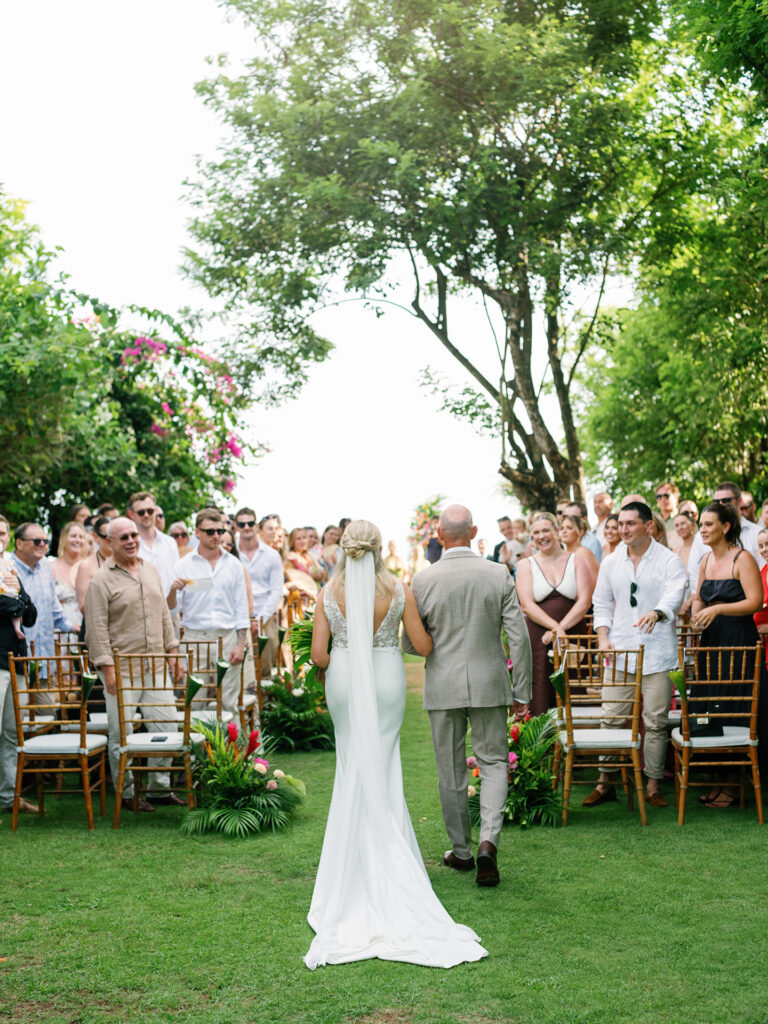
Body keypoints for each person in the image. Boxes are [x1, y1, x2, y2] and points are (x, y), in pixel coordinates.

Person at [306, 519, 487, 970]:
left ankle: (351, 867)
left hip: (345, 679)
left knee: (351, 763)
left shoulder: (328, 594)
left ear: (344, 550)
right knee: (383, 763)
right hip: (387, 678)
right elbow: (423, 645)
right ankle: (386, 856)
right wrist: (389, 640)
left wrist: (347, 648)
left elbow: (318, 656)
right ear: (380, 549)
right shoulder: (399, 589)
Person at [402, 504, 532, 888]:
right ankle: (488, 841)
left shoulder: (423, 580)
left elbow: (412, 641)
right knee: (493, 763)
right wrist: (522, 689)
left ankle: (461, 852)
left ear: (440, 536)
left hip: (443, 684)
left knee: (451, 768)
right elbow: (519, 637)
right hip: (491, 681)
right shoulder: (497, 573)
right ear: (474, 533)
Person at [584, 501, 686, 809]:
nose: (623, 529)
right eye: (621, 524)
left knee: (654, 721)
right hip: (619, 653)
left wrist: (658, 612)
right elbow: (600, 603)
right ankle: (606, 782)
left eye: (630, 524)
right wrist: (603, 639)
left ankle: (653, 785)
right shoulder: (612, 562)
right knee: (612, 717)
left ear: (649, 526)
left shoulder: (669, 560)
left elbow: (675, 594)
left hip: (657, 655)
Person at [85, 517, 185, 811]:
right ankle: (126, 794)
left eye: (133, 535)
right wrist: (108, 670)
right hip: (122, 670)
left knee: (167, 727)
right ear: (109, 543)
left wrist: (173, 652)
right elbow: (96, 629)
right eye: (123, 537)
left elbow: (164, 616)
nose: (130, 540)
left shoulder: (149, 569)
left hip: (155, 667)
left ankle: (159, 789)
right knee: (122, 734)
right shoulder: (100, 580)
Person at [690, 503, 763, 807]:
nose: (703, 530)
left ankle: (735, 784)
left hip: (738, 641)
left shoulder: (742, 558)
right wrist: (697, 617)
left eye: (709, 524)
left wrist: (718, 608)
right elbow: (698, 597)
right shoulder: (705, 560)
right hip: (711, 643)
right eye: (701, 524)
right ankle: (719, 779)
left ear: (726, 527)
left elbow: (756, 602)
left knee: (734, 702)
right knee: (712, 703)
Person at [169, 510, 251, 713]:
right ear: (197, 532)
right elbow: (171, 608)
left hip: (227, 637)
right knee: (195, 703)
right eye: (211, 531)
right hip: (194, 638)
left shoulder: (234, 565)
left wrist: (240, 645)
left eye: (220, 531)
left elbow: (241, 608)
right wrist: (173, 590)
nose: (217, 536)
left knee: (229, 704)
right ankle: (199, 745)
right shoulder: (183, 564)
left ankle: (231, 745)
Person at [515, 512, 593, 716]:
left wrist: (561, 630)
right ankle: (543, 745)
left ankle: (575, 744)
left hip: (573, 635)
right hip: (539, 637)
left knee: (572, 688)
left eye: (546, 530)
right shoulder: (525, 565)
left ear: (557, 532)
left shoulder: (578, 560)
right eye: (536, 532)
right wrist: (555, 628)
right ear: (532, 537)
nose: (542, 536)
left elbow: (584, 601)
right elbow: (527, 605)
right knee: (540, 688)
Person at [11, 523, 75, 686]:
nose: (42, 545)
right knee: (20, 711)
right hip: (17, 662)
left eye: (45, 541)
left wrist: (72, 627)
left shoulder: (46, 566)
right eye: (37, 541)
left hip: (45, 662)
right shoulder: (6, 568)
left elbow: (54, 607)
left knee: (48, 711)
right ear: (19, 543)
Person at [0, 546, 38, 817]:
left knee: (13, 734)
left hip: (16, 664)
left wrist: (20, 595)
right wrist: (17, 604)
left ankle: (9, 797)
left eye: (2, 533)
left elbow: (31, 616)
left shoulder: (9, 572)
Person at [687, 481, 763, 599]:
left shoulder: (757, 533)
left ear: (739, 501)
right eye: (716, 501)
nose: (721, 504)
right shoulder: (700, 537)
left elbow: (764, 571)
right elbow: (694, 574)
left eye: (726, 500)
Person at [237, 509, 283, 677]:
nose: (246, 527)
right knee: (238, 669)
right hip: (237, 616)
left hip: (265, 616)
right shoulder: (231, 554)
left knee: (264, 668)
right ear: (236, 526)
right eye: (242, 524)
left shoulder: (272, 555)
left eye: (250, 523)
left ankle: (265, 701)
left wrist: (259, 620)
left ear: (256, 526)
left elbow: (276, 591)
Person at [126, 491, 178, 598]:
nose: (146, 515)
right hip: (141, 609)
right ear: (131, 514)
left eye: (150, 511)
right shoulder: (127, 544)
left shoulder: (170, 543)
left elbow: (177, 576)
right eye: (141, 512)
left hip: (170, 609)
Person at [51, 521, 87, 633]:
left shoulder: (89, 567)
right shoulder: (51, 567)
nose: (77, 540)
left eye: (81, 537)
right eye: (73, 536)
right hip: (59, 632)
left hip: (86, 630)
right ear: (63, 538)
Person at [75, 516, 112, 616]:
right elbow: (83, 608)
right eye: (107, 537)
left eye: (115, 537)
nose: (111, 541)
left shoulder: (125, 562)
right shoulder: (86, 566)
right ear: (96, 537)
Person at [559, 514, 599, 588]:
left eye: (569, 528)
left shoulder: (585, 554)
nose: (564, 531)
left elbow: (596, 581)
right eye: (562, 528)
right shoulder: (561, 554)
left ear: (581, 532)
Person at [753, 528, 768, 667]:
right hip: (763, 644)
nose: (764, 550)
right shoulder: (762, 571)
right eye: (761, 546)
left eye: (767, 544)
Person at [654, 482, 680, 547]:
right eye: (659, 496)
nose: (663, 499)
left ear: (675, 497)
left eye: (666, 496)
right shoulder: (654, 522)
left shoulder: (685, 519)